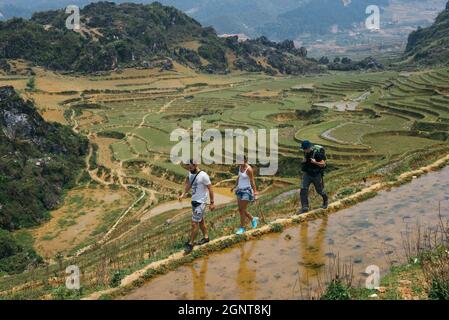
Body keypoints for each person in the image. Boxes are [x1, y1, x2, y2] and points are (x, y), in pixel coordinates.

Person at [179, 160, 215, 254]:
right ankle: (206, 238)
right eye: (188, 168)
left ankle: (190, 244)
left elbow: (210, 189)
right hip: (194, 202)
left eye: (191, 167)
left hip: (201, 203)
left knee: (194, 223)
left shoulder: (203, 175)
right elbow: (189, 185)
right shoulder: (191, 174)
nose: (189, 169)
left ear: (196, 165)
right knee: (201, 222)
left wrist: (212, 203)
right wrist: (183, 194)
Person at [231, 156, 259, 235]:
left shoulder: (249, 169)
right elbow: (239, 177)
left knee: (242, 210)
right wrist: (235, 186)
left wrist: (255, 192)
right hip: (240, 190)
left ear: (245, 160)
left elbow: (252, 181)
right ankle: (253, 219)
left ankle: (242, 228)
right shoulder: (240, 167)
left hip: (246, 191)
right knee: (240, 209)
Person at [299, 140, 328, 214]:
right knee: (303, 189)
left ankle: (325, 200)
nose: (304, 150)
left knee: (319, 190)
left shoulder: (317, 154)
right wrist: (304, 161)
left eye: (304, 148)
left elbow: (323, 164)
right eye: (303, 149)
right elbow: (305, 161)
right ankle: (305, 207)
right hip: (307, 174)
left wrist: (315, 162)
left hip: (316, 175)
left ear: (308, 147)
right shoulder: (306, 153)